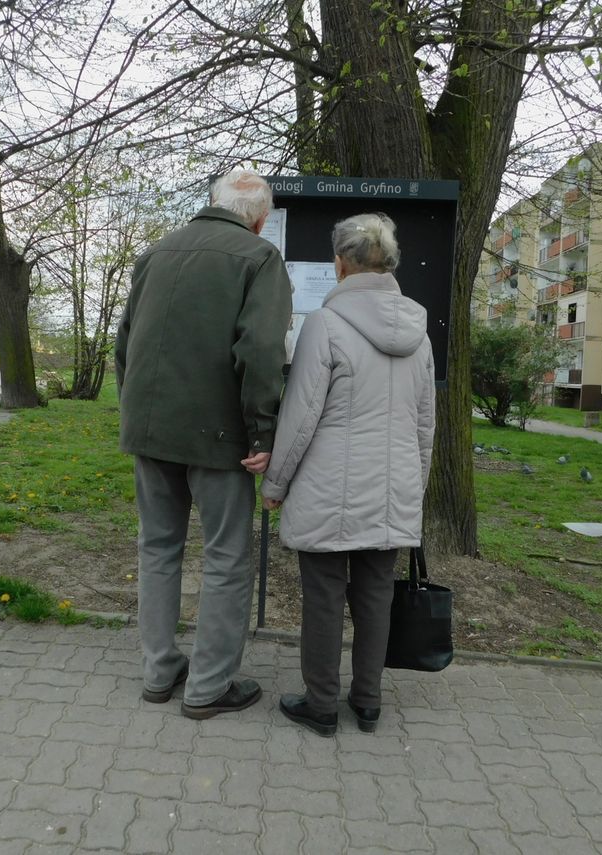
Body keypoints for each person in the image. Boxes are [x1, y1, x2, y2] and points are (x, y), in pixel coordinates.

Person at [115, 169, 292, 719]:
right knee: (225, 558)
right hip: (222, 438)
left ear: (210, 204)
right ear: (260, 218)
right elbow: (261, 353)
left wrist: (136, 415)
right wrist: (264, 432)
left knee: (158, 548)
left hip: (150, 430)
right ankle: (209, 687)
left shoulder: (156, 253)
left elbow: (125, 345)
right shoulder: (259, 258)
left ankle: (159, 671)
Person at [261, 212, 435, 737]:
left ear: (340, 263)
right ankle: (368, 701)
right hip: (392, 491)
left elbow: (300, 418)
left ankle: (320, 704)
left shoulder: (325, 325)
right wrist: (414, 488)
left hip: (325, 493)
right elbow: (425, 426)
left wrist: (275, 485)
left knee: (323, 599)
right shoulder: (420, 335)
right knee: (375, 597)